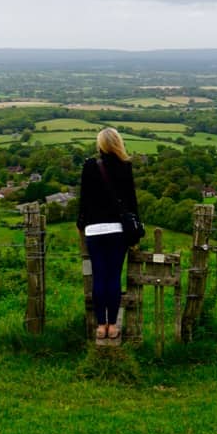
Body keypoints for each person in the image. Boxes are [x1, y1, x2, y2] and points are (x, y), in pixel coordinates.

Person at [76, 127, 139, 340]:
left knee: (98, 278)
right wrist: (136, 231)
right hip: (117, 231)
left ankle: (99, 326)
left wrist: (81, 224)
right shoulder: (125, 166)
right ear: (118, 143)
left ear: (100, 144)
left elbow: (83, 199)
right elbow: (131, 201)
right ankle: (112, 326)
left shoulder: (90, 166)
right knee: (113, 278)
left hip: (94, 230)